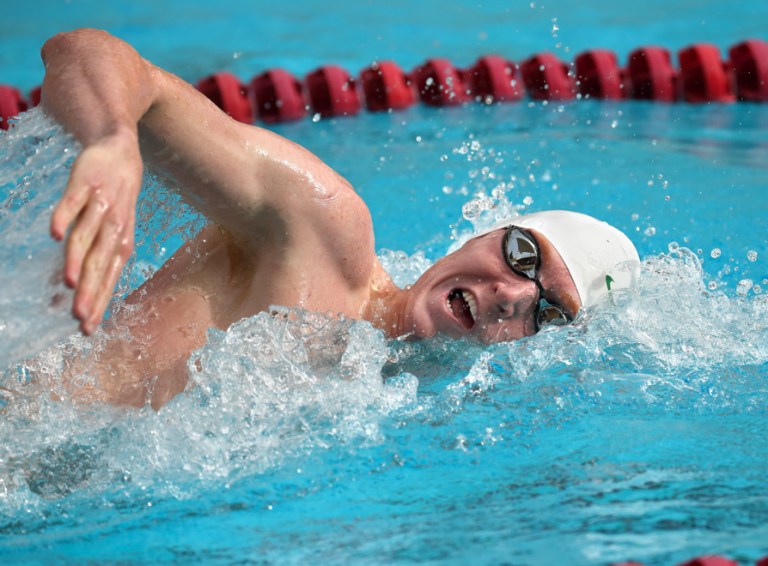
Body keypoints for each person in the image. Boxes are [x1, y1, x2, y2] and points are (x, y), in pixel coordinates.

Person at [39, 29, 639, 409]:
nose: (511, 296)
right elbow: (87, 51)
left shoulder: (403, 404)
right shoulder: (319, 230)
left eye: (549, 311)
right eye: (522, 254)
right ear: (484, 231)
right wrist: (113, 140)